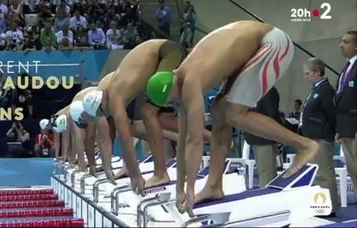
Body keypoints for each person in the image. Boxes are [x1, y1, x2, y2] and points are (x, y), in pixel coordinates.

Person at [145, 20, 320, 216]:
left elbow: (194, 142)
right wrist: (179, 190)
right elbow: (185, 139)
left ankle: (304, 145)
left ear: (173, 87)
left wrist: (190, 191)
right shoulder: (178, 81)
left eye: (173, 102)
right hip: (252, 47)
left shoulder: (190, 82)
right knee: (219, 111)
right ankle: (214, 186)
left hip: (273, 43)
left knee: (233, 113)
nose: (175, 106)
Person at [82, 39, 188, 192]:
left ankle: (161, 173)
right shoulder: (109, 89)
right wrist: (123, 168)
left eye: (104, 114)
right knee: (149, 114)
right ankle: (163, 166)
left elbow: (122, 138)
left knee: (148, 111)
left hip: (167, 52)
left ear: (102, 108)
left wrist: (135, 176)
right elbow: (115, 135)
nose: (107, 116)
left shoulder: (114, 98)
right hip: (161, 53)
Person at [300, 57, 339, 216]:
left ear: (317, 72)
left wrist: (335, 131)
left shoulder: (325, 90)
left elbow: (331, 113)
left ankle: (330, 207)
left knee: (324, 173)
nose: (305, 76)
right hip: (313, 138)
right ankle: (321, 206)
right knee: (317, 174)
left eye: (307, 73)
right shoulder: (316, 88)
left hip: (321, 137)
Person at [243, 87, 281, 188]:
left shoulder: (252, 90)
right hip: (265, 136)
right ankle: (267, 199)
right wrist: (281, 131)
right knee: (267, 173)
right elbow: (272, 113)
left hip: (254, 134)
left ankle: (269, 197)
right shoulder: (267, 90)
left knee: (265, 172)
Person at [335, 30, 357, 198]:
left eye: (346, 41)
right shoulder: (346, 68)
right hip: (346, 128)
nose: (341, 45)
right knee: (353, 169)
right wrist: (339, 128)